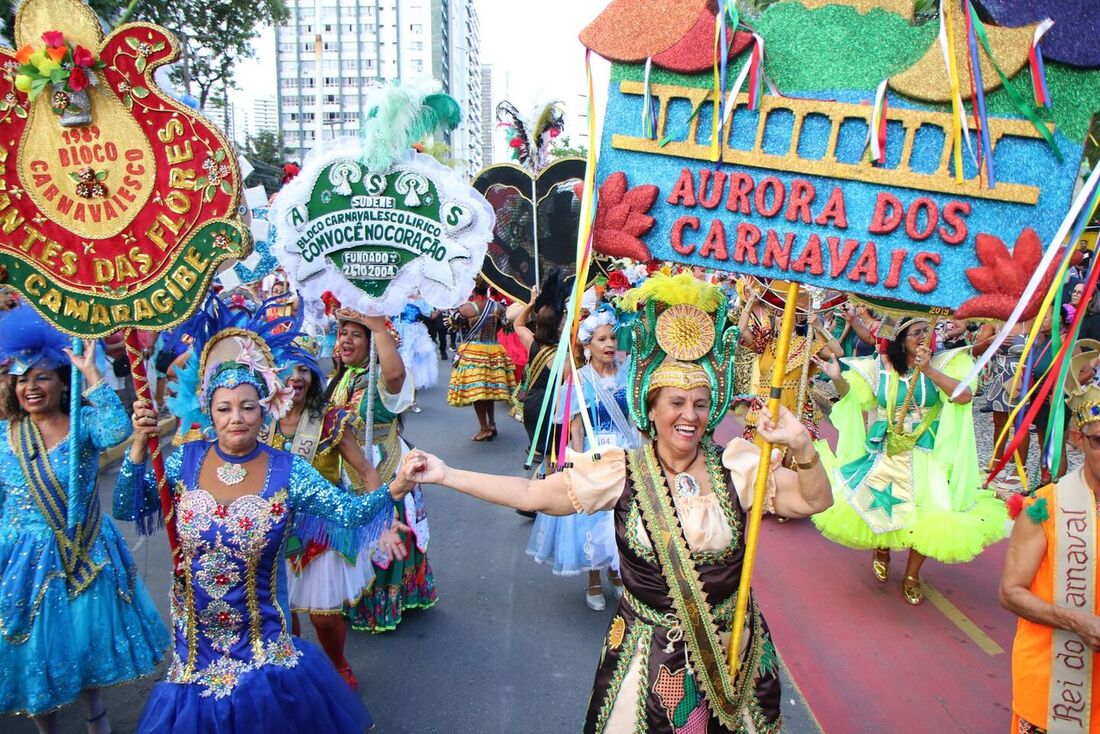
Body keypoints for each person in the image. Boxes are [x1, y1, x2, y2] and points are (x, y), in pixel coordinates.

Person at [400, 273, 833, 732]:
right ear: (650, 408)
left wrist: (802, 446)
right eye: (676, 403)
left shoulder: (740, 466)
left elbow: (813, 502)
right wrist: (447, 473)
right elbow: (532, 495)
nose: (690, 416)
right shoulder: (619, 470)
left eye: (701, 404)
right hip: (650, 659)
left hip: (734, 650)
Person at [114, 299, 412, 733]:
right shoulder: (183, 462)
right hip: (197, 651)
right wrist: (139, 449)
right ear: (208, 412)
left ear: (264, 408)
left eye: (248, 406)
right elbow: (128, 505)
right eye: (224, 408)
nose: (236, 418)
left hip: (264, 649)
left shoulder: (288, 470)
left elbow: (346, 513)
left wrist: (394, 489)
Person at [0, 307, 169, 734]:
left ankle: (97, 721)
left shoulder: (83, 424)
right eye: (22, 379)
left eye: (41, 377)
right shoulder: (5, 438)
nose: (31, 387)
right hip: (27, 561)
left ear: (61, 383)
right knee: (35, 652)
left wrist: (92, 374)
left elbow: (117, 431)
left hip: (86, 548)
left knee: (83, 643)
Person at [813, 314, 1008, 605]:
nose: (924, 337)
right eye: (917, 332)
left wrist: (928, 369)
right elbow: (856, 398)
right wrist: (839, 379)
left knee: (929, 515)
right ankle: (882, 549)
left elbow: (964, 396)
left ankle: (912, 575)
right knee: (878, 507)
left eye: (928, 331)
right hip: (885, 451)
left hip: (925, 454)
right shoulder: (879, 367)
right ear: (901, 340)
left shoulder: (948, 362)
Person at [1001, 341, 1100, 734]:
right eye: (1099, 441)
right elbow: (1011, 591)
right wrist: (1075, 621)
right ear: (1077, 438)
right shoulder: (1043, 507)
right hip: (1053, 686)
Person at [526, 305, 642, 610]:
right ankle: (593, 580)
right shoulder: (578, 380)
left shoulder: (628, 374)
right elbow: (575, 430)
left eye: (613, 338)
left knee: (623, 518)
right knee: (592, 516)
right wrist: (576, 465)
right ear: (587, 346)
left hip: (626, 453)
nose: (609, 345)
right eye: (602, 340)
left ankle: (618, 574)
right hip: (594, 453)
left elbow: (637, 418)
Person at [330, 309, 435, 633]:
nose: (346, 339)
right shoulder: (345, 375)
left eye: (355, 334)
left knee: (383, 535)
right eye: (342, 332)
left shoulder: (378, 378)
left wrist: (377, 328)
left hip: (382, 465)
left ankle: (387, 601)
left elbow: (394, 377)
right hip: (347, 467)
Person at [446, 279, 515, 440]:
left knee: (478, 392)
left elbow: (453, 325)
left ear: (473, 290)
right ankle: (492, 424)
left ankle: (484, 428)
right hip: (494, 350)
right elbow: (507, 328)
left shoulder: (466, 308)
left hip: (474, 353)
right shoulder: (499, 307)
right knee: (489, 390)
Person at [974, 319, 1032, 490]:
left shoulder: (1031, 320)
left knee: (1020, 425)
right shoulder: (994, 322)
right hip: (1000, 378)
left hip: (1022, 379)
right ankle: (996, 464)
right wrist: (992, 341)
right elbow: (975, 350)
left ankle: (1020, 470)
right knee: (999, 424)